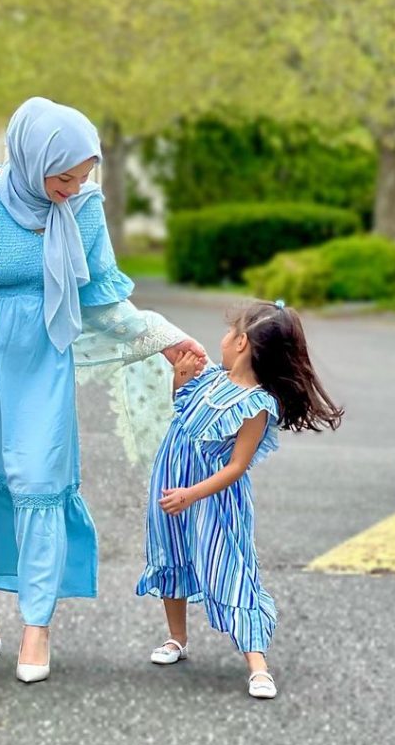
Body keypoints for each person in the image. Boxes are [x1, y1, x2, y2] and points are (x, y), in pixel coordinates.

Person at [0, 97, 205, 683]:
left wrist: (166, 337)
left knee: (39, 480)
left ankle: (37, 626)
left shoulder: (83, 206)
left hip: (43, 363)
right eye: (64, 176)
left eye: (83, 176)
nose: (73, 186)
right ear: (32, 159)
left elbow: (103, 298)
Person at [136, 299, 342, 699]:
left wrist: (191, 494)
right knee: (171, 553)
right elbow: (183, 413)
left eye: (230, 333)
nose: (223, 339)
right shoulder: (212, 377)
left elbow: (236, 466)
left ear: (243, 342)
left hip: (212, 499)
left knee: (230, 567)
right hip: (170, 482)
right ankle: (177, 638)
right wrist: (178, 380)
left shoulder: (256, 404)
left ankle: (257, 663)